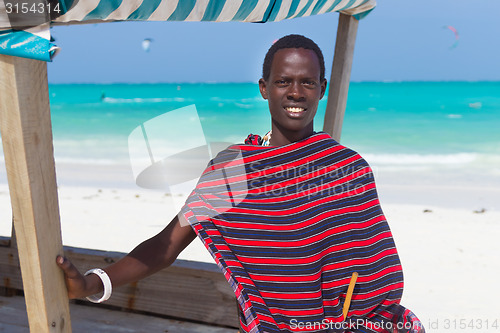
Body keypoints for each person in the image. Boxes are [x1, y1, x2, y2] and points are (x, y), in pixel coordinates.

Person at [57, 34, 424, 333]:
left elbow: (374, 267)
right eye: (283, 82)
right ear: (264, 88)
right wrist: (92, 284)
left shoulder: (347, 167)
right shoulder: (234, 171)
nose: (295, 93)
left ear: (322, 88)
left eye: (307, 82)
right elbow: (165, 247)